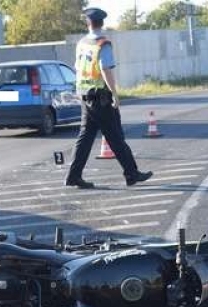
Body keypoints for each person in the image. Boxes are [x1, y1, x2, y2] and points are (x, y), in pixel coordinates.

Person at [65, 7, 153, 189]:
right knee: (115, 137)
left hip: (85, 94)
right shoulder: (102, 44)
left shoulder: (82, 43)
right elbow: (105, 70)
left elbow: (77, 68)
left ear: (88, 23)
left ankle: (73, 176)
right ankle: (132, 174)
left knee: (86, 137)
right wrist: (114, 93)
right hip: (100, 97)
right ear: (102, 23)